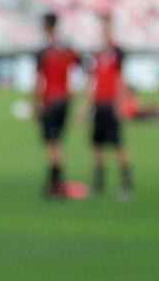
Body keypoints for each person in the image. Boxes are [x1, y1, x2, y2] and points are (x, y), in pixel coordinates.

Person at [85, 14, 133, 199]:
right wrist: (87, 107)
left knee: (117, 145)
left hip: (111, 105)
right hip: (99, 104)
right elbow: (93, 82)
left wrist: (120, 104)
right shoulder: (97, 54)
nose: (103, 30)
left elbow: (120, 80)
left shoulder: (117, 53)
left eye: (106, 26)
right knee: (97, 146)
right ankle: (98, 185)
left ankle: (127, 184)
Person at [33, 12, 80, 198]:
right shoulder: (68, 50)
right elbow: (80, 70)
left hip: (50, 101)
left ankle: (55, 183)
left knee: (51, 143)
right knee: (57, 141)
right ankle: (55, 182)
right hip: (65, 100)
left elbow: (39, 81)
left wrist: (37, 104)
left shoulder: (44, 52)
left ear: (46, 26)